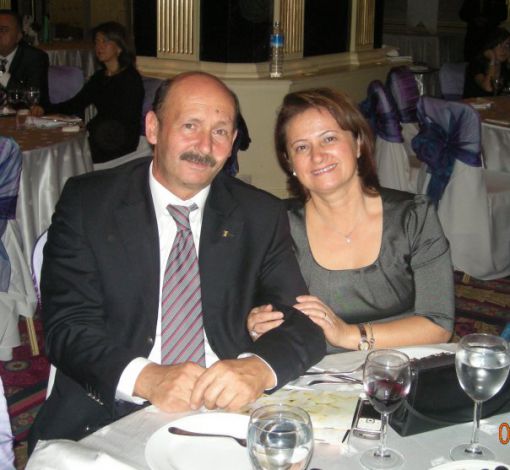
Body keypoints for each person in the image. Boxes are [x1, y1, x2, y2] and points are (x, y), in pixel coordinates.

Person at [27, 72, 325, 451]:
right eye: (190, 126)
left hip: (226, 407)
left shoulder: (258, 213)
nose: (205, 145)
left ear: (233, 142)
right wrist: (146, 378)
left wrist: (257, 367)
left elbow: (302, 321)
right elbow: (67, 327)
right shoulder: (89, 204)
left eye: (220, 132)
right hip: (112, 408)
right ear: (153, 128)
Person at [247, 88, 454, 354]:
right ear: (290, 163)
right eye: (301, 147)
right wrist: (255, 324)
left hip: (405, 363)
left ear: (358, 143)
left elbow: (438, 324)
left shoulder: (413, 216)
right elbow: (253, 307)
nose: (317, 156)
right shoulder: (277, 225)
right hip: (317, 370)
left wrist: (348, 335)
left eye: (329, 138)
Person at [31, 21, 144, 164]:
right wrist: (44, 109)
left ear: (119, 47)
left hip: (119, 139)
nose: (99, 47)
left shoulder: (130, 78)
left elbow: (123, 118)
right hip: (103, 134)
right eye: (97, 42)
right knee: (56, 144)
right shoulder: (100, 77)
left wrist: (87, 128)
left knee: (67, 153)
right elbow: (76, 103)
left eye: (105, 41)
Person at [0, 10, 49, 108]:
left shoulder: (35, 58)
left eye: (3, 30)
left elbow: (33, 99)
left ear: (18, 36)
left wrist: (1, 75)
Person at [463, 27, 510, 98]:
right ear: (491, 46)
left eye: (507, 45)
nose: (503, 50)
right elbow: (488, 87)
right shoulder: (477, 64)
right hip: (474, 104)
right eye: (499, 45)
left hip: (495, 104)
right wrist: (492, 60)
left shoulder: (505, 68)